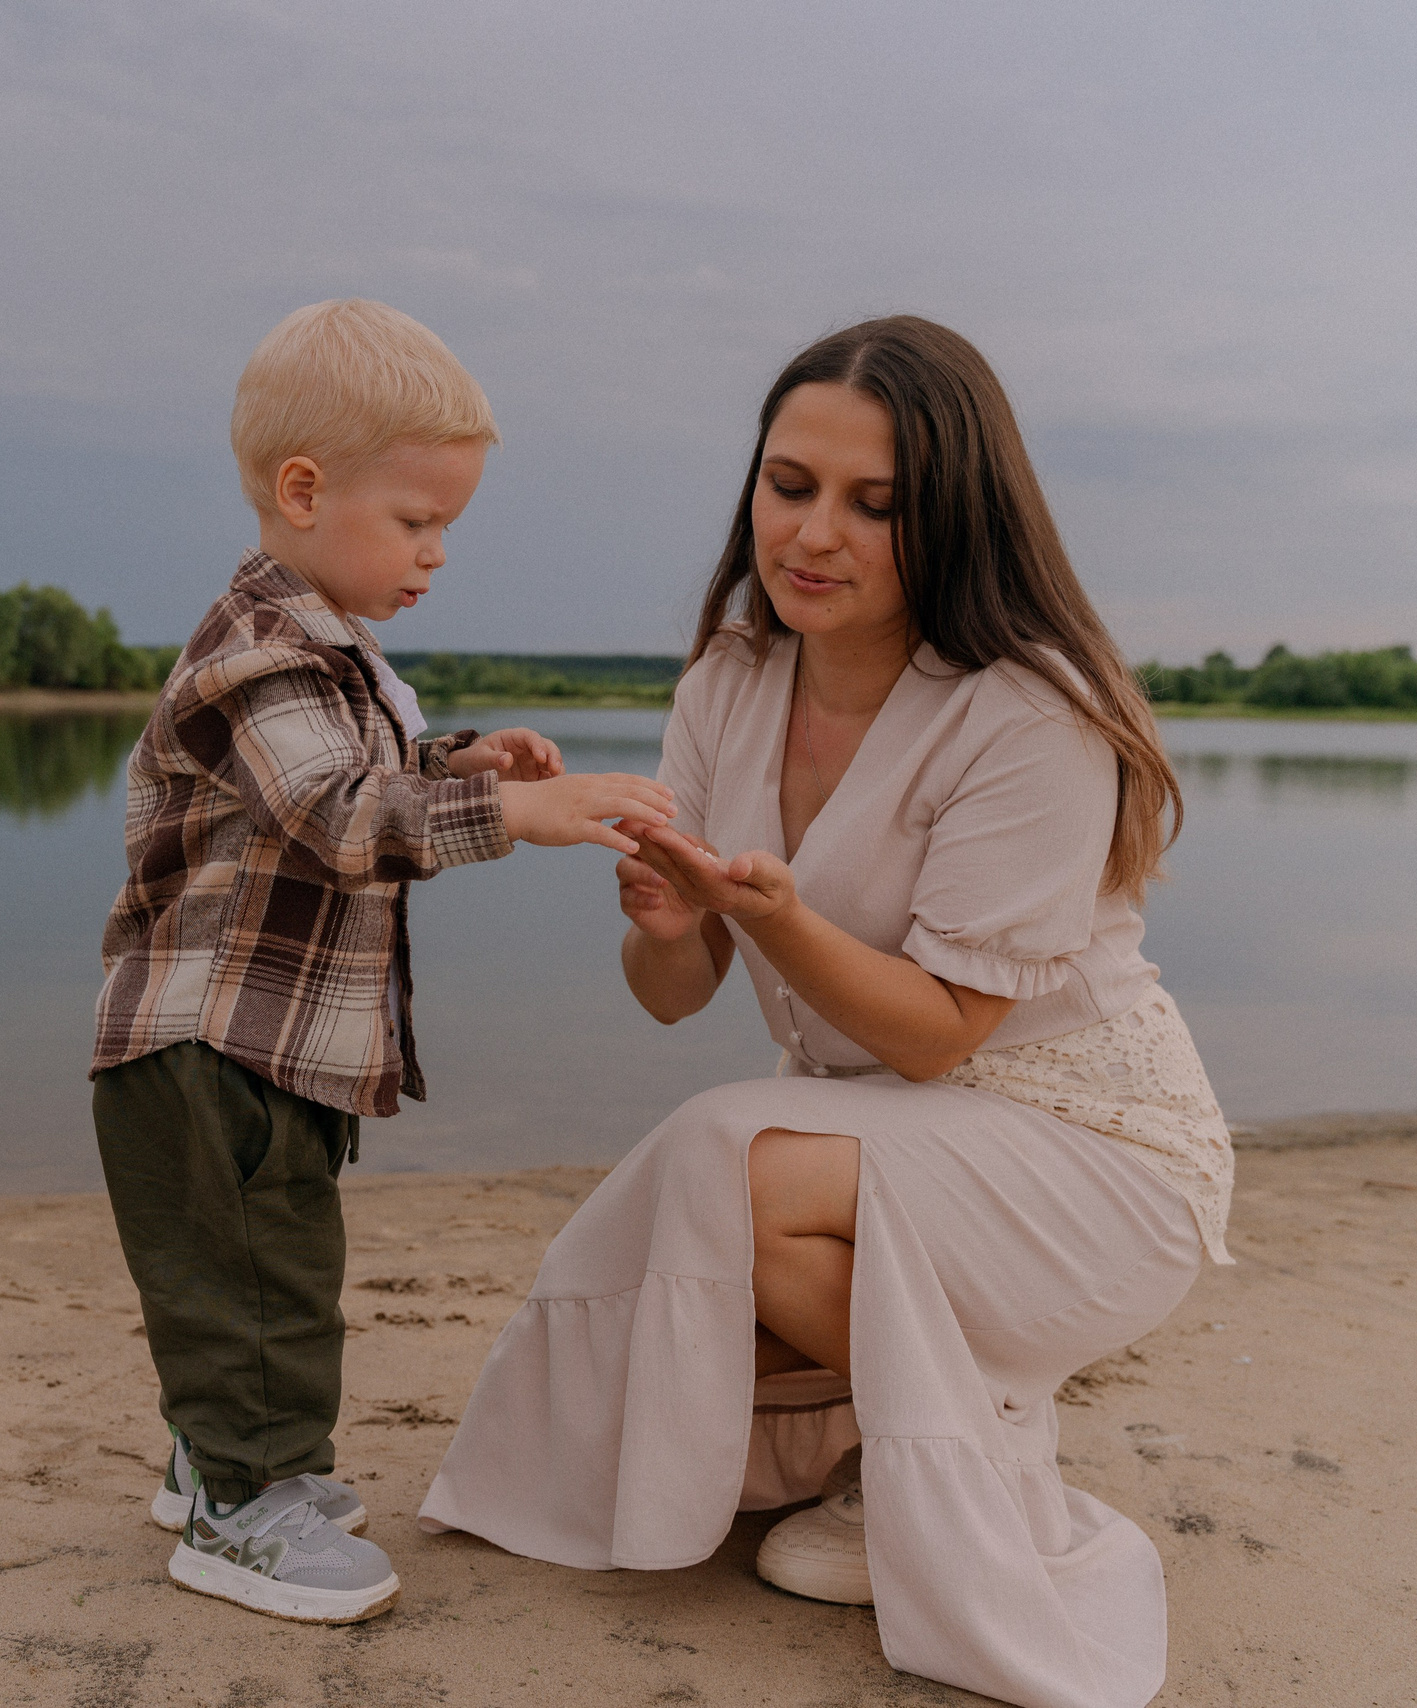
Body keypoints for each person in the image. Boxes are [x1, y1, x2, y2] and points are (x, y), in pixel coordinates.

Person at [418, 315, 1235, 1708]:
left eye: (877, 505)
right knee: (693, 1247)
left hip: (1091, 1148)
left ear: (956, 521)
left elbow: (939, 1036)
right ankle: (890, 1446)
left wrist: (775, 913)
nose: (816, 534)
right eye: (791, 485)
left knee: (720, 1159)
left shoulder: (1030, 713)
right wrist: (674, 927)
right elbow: (677, 999)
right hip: (881, 1140)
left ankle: (965, 1459)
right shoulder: (728, 685)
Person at [91, 297, 677, 1625]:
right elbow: (335, 816)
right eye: (418, 524)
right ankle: (244, 1510)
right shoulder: (257, 659)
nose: (437, 556)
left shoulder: (331, 659)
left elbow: (364, 776)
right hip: (205, 1040)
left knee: (260, 1263)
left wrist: (459, 760)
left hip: (269, 1041)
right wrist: (515, 814)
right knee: (260, 1275)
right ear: (303, 491)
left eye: (446, 529)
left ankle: (219, 1464)